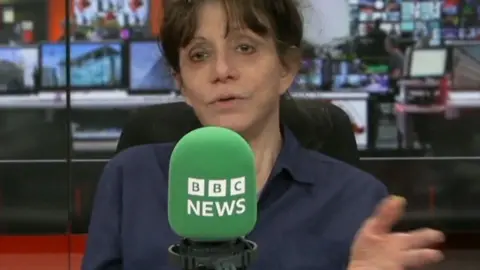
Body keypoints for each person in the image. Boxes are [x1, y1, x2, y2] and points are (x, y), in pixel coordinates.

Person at [82, 0, 444, 270]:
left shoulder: (358, 201)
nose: (222, 70)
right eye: (199, 54)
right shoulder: (130, 178)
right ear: (182, 84)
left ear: (286, 68)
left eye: (245, 47)